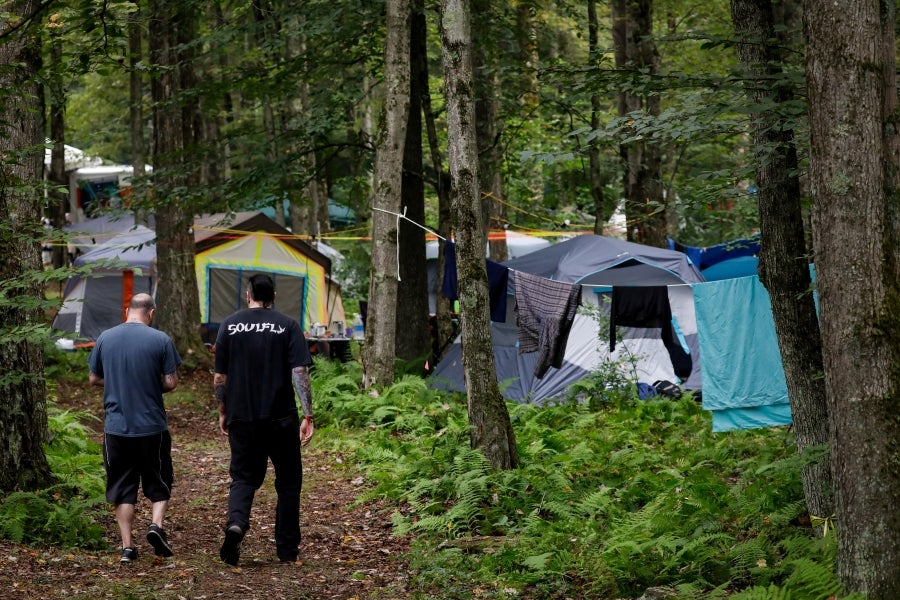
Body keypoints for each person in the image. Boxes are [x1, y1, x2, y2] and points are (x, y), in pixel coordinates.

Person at [213, 273, 315, 566]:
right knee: (288, 482)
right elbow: (299, 373)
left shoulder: (229, 325)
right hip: (280, 418)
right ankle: (287, 550)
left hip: (242, 416)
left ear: (248, 295)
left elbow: (220, 376)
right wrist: (308, 414)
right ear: (274, 296)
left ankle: (236, 524)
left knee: (243, 477)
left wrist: (223, 411)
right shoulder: (288, 325)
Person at [88, 293, 182, 563]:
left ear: (127, 310)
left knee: (122, 486)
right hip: (152, 426)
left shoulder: (106, 337)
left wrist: (119, 383)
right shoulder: (161, 339)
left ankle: (127, 547)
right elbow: (171, 382)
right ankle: (156, 526)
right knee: (160, 479)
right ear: (151, 313)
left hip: (116, 428)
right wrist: (148, 384)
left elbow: (93, 378)